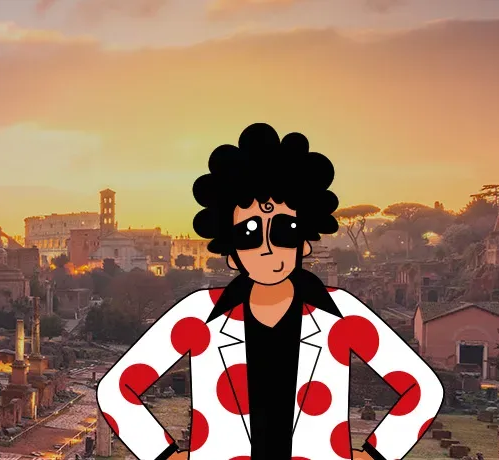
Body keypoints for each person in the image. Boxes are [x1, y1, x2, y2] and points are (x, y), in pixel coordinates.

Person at [94, 123, 440, 460]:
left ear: (304, 242)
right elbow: (116, 391)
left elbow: (423, 389)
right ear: (231, 251)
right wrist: (165, 454)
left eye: (285, 230)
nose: (267, 247)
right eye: (249, 233)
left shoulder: (342, 313)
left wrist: (376, 454)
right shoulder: (198, 314)